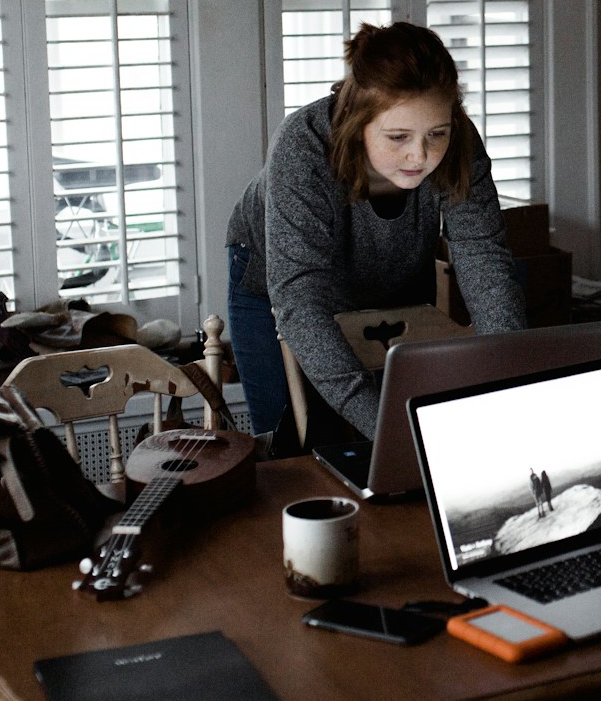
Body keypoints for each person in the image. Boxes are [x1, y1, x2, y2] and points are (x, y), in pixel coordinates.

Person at [225, 22, 526, 442]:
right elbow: (301, 301)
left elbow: (484, 258)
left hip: (392, 273)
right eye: (398, 136)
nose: (420, 155)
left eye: (436, 134)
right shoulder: (302, 147)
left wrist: (508, 382)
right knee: (291, 447)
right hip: (278, 287)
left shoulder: (459, 142)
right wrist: (386, 430)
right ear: (355, 121)